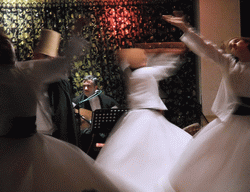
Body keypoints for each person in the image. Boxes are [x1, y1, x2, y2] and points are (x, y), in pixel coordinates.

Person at [0, 22, 123, 192]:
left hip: (23, 145)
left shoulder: (27, 70)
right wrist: (74, 40)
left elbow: (62, 64)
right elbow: (63, 62)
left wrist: (74, 40)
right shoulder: (27, 70)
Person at [162, 13, 250, 192]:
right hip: (234, 121)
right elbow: (206, 47)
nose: (232, 44)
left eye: (237, 41)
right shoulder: (229, 64)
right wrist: (186, 28)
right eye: (231, 43)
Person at [95, 48, 192, 192]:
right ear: (142, 61)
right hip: (148, 116)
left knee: (132, 150)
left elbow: (127, 64)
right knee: (164, 147)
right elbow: (165, 69)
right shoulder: (146, 73)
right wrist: (174, 55)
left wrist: (126, 57)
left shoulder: (131, 74)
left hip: (136, 115)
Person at [33, 29, 78, 146]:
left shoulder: (58, 81)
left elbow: (62, 116)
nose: (34, 59)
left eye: (38, 56)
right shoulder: (33, 75)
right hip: (35, 133)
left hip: (51, 136)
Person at [73, 75, 120, 158]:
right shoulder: (76, 102)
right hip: (87, 138)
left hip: (105, 135)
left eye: (89, 86)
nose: (86, 89)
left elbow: (117, 113)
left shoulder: (107, 100)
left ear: (95, 87)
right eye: (84, 86)